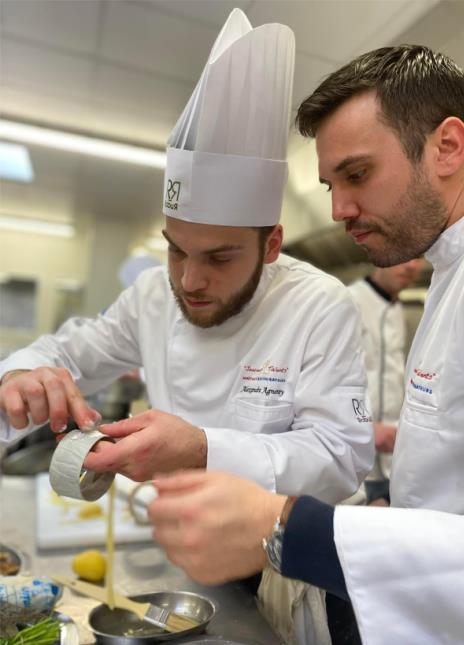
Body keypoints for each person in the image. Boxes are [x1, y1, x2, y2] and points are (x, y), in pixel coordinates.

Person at [146, 44, 464, 645]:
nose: (339, 209)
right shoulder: (453, 272)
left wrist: (287, 525)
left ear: (448, 147)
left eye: (357, 174)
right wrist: (393, 523)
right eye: (330, 184)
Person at [0, 10, 373, 502]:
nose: (190, 280)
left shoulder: (319, 306)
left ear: (272, 245)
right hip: (181, 536)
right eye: (176, 251)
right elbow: (66, 353)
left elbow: (340, 456)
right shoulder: (153, 296)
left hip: (284, 562)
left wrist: (201, 448)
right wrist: (23, 375)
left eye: (219, 259)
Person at [348, 260, 423, 505]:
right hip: (354, 456)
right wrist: (362, 427)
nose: (412, 266)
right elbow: (324, 379)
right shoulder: (348, 301)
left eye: (419, 257)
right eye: (404, 258)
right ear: (380, 258)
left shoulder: (398, 308)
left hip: (391, 460)